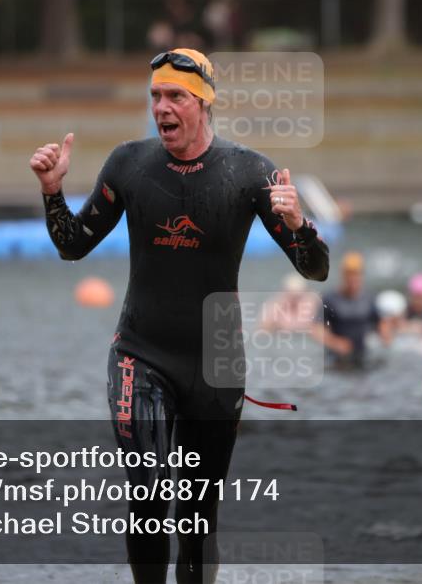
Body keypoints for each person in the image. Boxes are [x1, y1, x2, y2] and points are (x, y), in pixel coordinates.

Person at [29, 48, 329, 584]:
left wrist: (299, 223)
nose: (161, 108)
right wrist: (53, 192)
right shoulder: (129, 164)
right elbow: (73, 246)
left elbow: (315, 270)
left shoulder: (249, 173)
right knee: (148, 493)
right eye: (155, 97)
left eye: (175, 97)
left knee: (196, 517)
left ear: (203, 104)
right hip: (141, 354)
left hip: (216, 365)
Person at [313, 251, 382, 369]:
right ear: (343, 275)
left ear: (362, 275)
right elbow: (316, 329)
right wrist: (335, 343)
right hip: (337, 357)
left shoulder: (369, 297)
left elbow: (380, 324)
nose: (353, 278)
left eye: (356, 274)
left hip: (363, 355)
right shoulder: (330, 298)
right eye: (349, 274)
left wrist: (387, 333)